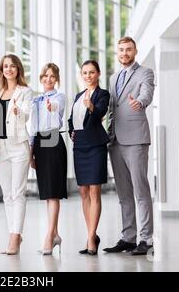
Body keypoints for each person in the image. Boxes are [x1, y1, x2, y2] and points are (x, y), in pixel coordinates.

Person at [104, 36, 155, 256]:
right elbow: (111, 108)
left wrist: (140, 102)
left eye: (128, 50)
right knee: (124, 193)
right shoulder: (114, 77)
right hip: (115, 140)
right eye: (121, 50)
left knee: (140, 190)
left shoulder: (145, 72)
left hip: (135, 139)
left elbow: (147, 93)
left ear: (135, 51)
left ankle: (146, 239)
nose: (124, 53)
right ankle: (128, 237)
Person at [68, 60, 110, 256]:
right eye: (85, 73)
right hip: (80, 146)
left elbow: (100, 112)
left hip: (95, 145)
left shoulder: (103, 94)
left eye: (91, 72)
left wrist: (92, 106)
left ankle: (91, 238)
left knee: (94, 192)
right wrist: (71, 132)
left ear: (98, 74)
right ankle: (91, 234)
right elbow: (71, 119)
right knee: (83, 191)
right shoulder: (78, 96)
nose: (88, 76)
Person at [0, 54, 33, 255]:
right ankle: (13, 231)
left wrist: (18, 112)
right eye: (5, 66)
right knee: (7, 195)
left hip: (19, 147)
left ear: (18, 69)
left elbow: (27, 114)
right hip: (1, 148)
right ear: (2, 70)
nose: (8, 69)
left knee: (18, 193)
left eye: (12, 66)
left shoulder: (25, 92)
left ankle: (15, 237)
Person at [29, 63, 67, 256]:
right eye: (45, 76)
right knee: (47, 193)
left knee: (53, 193)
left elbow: (57, 114)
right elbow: (33, 126)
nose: (48, 79)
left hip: (53, 140)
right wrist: (30, 152)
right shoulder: (36, 100)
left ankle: (49, 236)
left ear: (56, 78)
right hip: (40, 144)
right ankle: (56, 234)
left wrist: (52, 108)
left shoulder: (59, 97)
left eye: (52, 76)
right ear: (41, 78)